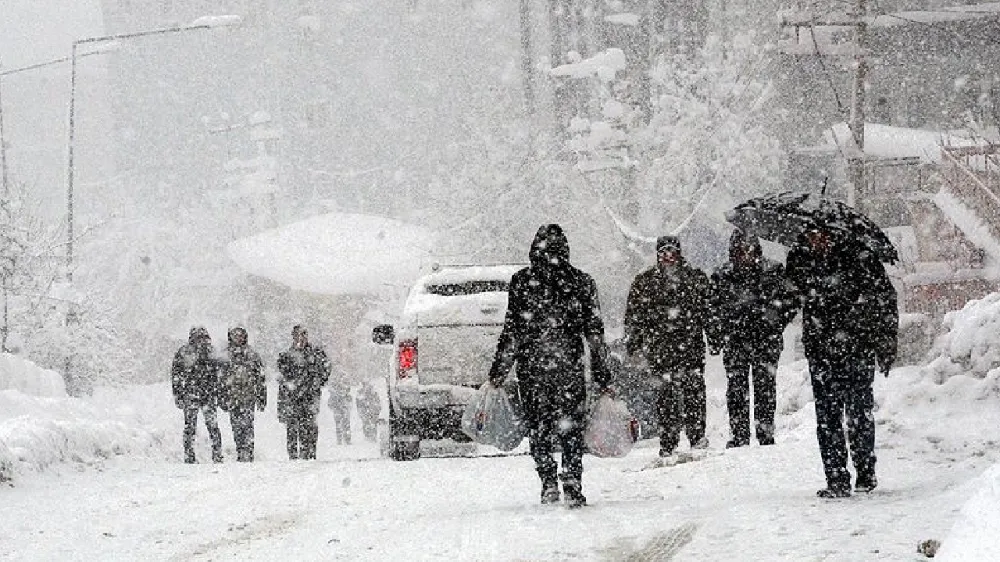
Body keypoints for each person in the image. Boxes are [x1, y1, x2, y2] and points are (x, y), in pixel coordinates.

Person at [488, 224, 612, 508]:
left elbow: (512, 332)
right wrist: (603, 376)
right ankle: (572, 481)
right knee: (571, 429)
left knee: (539, 427)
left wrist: (499, 371)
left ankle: (548, 482)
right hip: (569, 367)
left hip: (533, 369)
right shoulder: (581, 282)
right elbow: (594, 334)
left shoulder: (522, 282)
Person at [786, 227, 898, 498]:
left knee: (858, 413)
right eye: (811, 236)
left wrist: (885, 341)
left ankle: (865, 472)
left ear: (833, 234)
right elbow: (788, 298)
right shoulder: (801, 260)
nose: (817, 240)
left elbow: (884, 298)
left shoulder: (859, 256)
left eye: (821, 235)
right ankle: (836, 477)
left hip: (856, 347)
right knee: (827, 417)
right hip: (822, 351)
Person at [708, 230, 798, 448]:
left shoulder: (774, 271)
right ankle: (739, 435)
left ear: (757, 250)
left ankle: (765, 433)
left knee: (765, 387)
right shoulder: (722, 276)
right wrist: (718, 335)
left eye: (749, 250)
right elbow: (712, 309)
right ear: (733, 253)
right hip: (735, 340)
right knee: (736, 388)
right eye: (740, 251)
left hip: (766, 339)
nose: (745, 255)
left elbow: (791, 300)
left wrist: (776, 322)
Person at [624, 235, 712, 457]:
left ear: (679, 253)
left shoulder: (695, 278)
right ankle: (668, 441)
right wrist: (634, 344)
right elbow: (634, 316)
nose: (668, 256)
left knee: (694, 392)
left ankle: (697, 436)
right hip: (660, 348)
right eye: (663, 252)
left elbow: (709, 311)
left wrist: (714, 337)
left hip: (690, 346)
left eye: (672, 251)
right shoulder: (645, 282)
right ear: (657, 254)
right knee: (666, 396)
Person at [277, 325, 331, 460]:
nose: (300, 339)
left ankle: (309, 453)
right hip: (292, 396)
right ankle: (293, 455)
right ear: (293, 337)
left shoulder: (316, 353)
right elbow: (282, 375)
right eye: (297, 336)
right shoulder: (286, 355)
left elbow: (326, 368)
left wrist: (318, 381)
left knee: (310, 425)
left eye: (303, 335)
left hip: (310, 395)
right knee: (292, 426)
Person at [171, 326, 223, 464]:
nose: (201, 340)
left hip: (206, 394)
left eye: (202, 337)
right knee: (191, 426)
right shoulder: (185, 352)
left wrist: (218, 391)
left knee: (211, 426)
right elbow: (176, 375)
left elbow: (219, 374)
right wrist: (178, 394)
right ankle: (190, 455)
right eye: (198, 337)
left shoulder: (211, 352)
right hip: (192, 394)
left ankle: (216, 454)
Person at [219, 327, 266, 462]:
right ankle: (240, 451)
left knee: (248, 425)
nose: (238, 338)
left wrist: (262, 397)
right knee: (236, 426)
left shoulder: (252, 354)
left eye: (240, 335)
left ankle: (249, 452)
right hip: (232, 397)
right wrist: (222, 397)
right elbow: (220, 378)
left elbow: (260, 377)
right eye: (235, 335)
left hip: (248, 396)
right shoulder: (225, 355)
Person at [327, 368, 353, 445]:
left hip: (340, 406)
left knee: (341, 423)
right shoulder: (340, 386)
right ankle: (345, 439)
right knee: (344, 423)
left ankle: (342, 439)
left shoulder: (336, 386)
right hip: (341, 406)